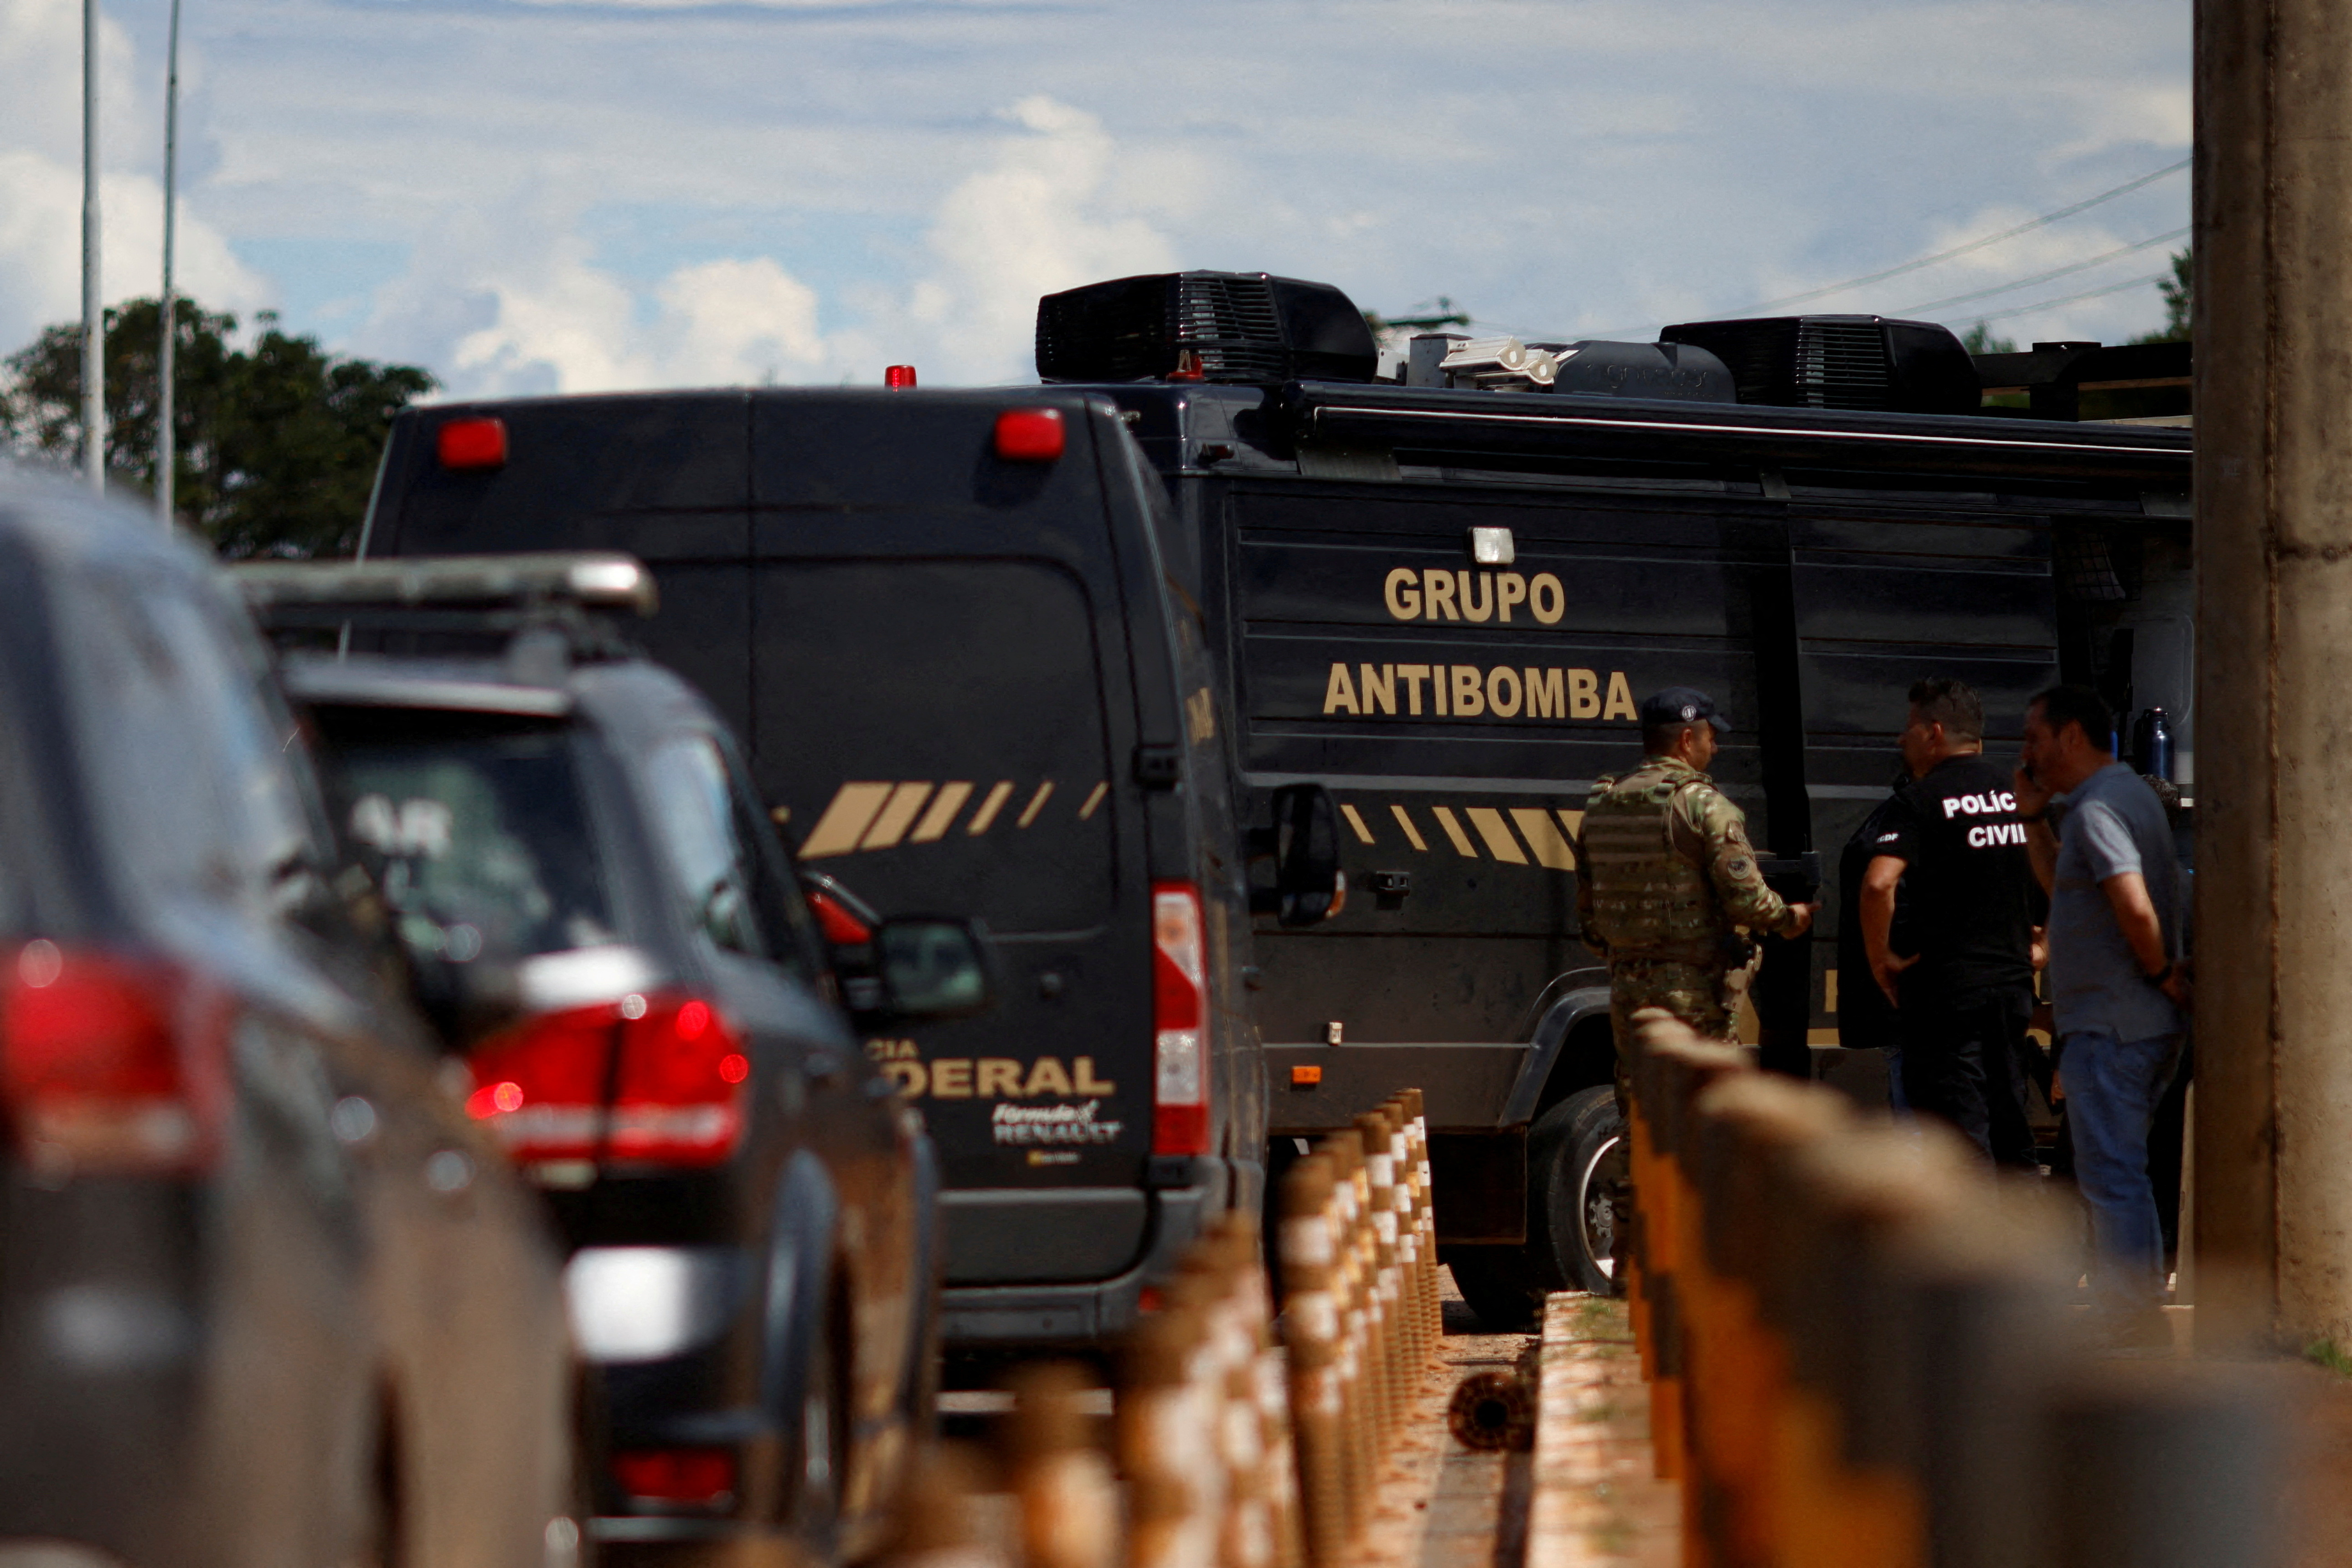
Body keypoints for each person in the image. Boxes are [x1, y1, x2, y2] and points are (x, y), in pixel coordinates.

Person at [2013, 684, 2188, 1345]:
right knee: (2119, 1169)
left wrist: (2157, 969)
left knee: (2112, 1173)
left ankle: (2131, 1314)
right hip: (2128, 1020)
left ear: (2071, 737)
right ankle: (2135, 1304)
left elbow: (2132, 902)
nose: (2026, 752)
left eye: (2035, 737)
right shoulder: (2116, 798)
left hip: (2115, 1023)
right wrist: (2034, 820)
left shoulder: (2098, 811)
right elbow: (2068, 884)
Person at [1575, 686, 1817, 1110]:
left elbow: (1589, 914)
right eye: (1711, 736)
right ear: (1688, 739)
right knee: (1704, 1112)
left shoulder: (1603, 803)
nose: (1716, 746)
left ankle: (1637, 1178)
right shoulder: (1703, 805)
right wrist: (1788, 917)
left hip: (1626, 985)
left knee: (1642, 1109)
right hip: (1691, 989)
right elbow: (1747, 901)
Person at [1857, 677, 2040, 1166]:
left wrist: (1882, 961)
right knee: (2010, 1122)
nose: (1902, 738)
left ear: (1934, 733)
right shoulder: (2016, 793)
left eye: (1909, 728)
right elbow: (2065, 876)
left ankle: (1970, 1241)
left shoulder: (1919, 800)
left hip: (1946, 994)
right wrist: (2046, 946)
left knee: (1957, 1136)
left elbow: (1879, 883)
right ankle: (2022, 1237)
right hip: (2012, 986)